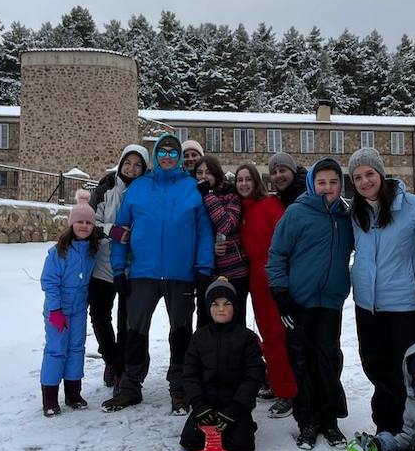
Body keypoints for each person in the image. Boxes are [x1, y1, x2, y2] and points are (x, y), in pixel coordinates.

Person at [106, 132, 215, 414]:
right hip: (143, 272)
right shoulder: (139, 188)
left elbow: (204, 232)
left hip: (182, 275)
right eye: (163, 152)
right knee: (135, 332)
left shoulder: (192, 188)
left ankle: (179, 387)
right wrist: (119, 269)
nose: (168, 157)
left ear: (179, 157)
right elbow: (121, 230)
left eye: (173, 152)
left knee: (180, 333)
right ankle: (130, 386)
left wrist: (204, 267)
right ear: (155, 156)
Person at [265, 156, 353, 450]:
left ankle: (329, 420)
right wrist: (281, 296)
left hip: (330, 302)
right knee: (301, 361)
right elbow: (276, 256)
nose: (327, 188)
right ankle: (307, 421)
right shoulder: (296, 214)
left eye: (333, 182)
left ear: (341, 184)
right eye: (321, 182)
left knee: (328, 360)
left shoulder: (345, 216)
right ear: (312, 183)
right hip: (299, 302)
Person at [346, 147, 415, 434]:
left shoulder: (414, 207)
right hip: (367, 305)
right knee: (375, 367)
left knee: (404, 372)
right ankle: (385, 429)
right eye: (357, 177)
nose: (364, 181)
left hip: (404, 304)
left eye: (369, 174)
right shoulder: (356, 213)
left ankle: (408, 430)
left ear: (381, 174)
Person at [235, 164, 298, 418]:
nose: (243, 184)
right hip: (256, 283)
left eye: (248, 179)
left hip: (276, 280)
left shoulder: (271, 206)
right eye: (239, 180)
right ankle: (275, 381)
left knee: (279, 336)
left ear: (256, 181)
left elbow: (286, 242)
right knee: (267, 336)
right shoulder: (241, 210)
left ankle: (289, 392)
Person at [179, 277, 265, 451]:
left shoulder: (247, 338)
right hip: (206, 407)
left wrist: (235, 408)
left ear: (235, 307)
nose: (221, 309)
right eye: (215, 304)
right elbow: (190, 374)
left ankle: (245, 424)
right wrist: (199, 405)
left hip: (235, 407)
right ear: (208, 308)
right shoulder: (199, 337)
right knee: (190, 442)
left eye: (227, 304)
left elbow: (254, 376)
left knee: (241, 447)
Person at [88, 143, 151, 391]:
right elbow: (90, 221)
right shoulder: (107, 186)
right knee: (100, 316)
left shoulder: (148, 190)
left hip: (132, 267)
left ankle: (126, 369)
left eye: (138, 165)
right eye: (128, 163)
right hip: (103, 264)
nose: (132, 169)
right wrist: (111, 230)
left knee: (128, 321)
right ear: (121, 162)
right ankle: (111, 359)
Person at [39, 200, 101, 417]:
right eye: (79, 222)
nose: (84, 226)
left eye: (88, 222)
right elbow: (49, 281)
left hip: (79, 309)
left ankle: (73, 393)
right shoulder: (59, 252)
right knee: (56, 351)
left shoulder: (92, 251)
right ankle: (50, 397)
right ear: (71, 224)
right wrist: (55, 310)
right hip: (58, 310)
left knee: (76, 348)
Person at [194, 154, 249, 328]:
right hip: (210, 271)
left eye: (208, 172)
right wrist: (210, 247)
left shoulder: (231, 194)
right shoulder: (194, 196)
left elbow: (227, 224)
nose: (203, 176)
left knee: (236, 319)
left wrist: (208, 196)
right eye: (200, 172)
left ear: (217, 174)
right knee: (206, 320)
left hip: (235, 270)